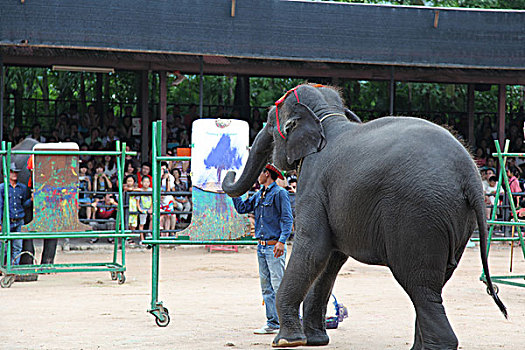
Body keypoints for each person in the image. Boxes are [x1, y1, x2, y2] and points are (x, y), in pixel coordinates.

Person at [231, 163, 293, 334]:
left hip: (273, 246)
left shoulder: (280, 193)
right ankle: (274, 322)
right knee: (267, 286)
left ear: (267, 174)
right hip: (263, 246)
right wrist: (235, 193)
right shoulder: (260, 194)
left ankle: (285, 322)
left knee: (277, 284)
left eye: (260, 172)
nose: (258, 176)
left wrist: (281, 241)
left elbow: (287, 220)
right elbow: (242, 208)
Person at [0, 163, 32, 265]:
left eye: (15, 172)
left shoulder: (22, 188)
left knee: (17, 246)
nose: (14, 174)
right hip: (7, 220)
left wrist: (31, 200)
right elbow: (0, 206)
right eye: (12, 172)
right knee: (4, 247)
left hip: (19, 220)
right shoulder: (2, 188)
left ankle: (14, 267)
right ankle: (3, 266)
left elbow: (24, 205)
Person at [137, 176, 153, 241]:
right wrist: (140, 209)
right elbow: (137, 201)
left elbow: (153, 200)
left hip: (149, 208)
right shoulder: (139, 190)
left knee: (152, 218)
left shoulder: (151, 190)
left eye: (147, 182)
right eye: (144, 182)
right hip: (143, 208)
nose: (146, 183)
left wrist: (151, 208)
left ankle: (149, 232)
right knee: (142, 224)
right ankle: (142, 239)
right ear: (141, 182)